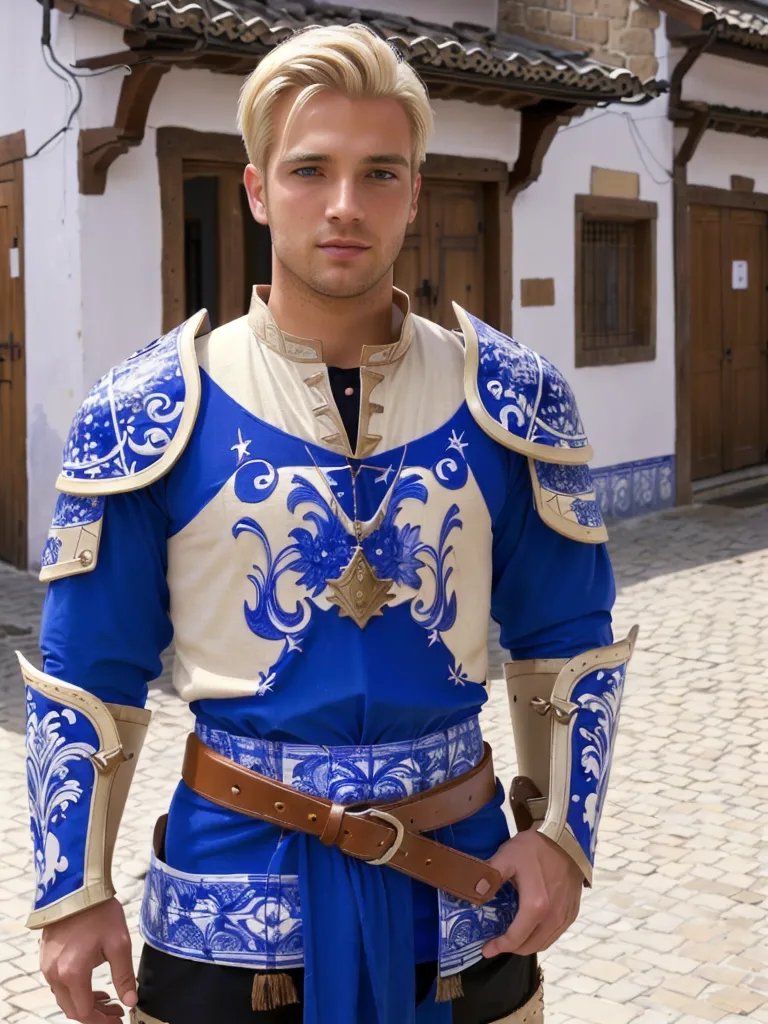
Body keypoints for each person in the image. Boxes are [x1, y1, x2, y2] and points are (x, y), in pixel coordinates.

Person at [21, 23, 637, 1024]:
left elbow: (568, 637)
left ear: (413, 194)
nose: (345, 205)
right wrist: (73, 892)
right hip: (228, 898)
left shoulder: (514, 400)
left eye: (378, 173)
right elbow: (90, 667)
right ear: (259, 189)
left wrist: (564, 835)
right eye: (310, 170)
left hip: (464, 892)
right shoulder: (144, 411)